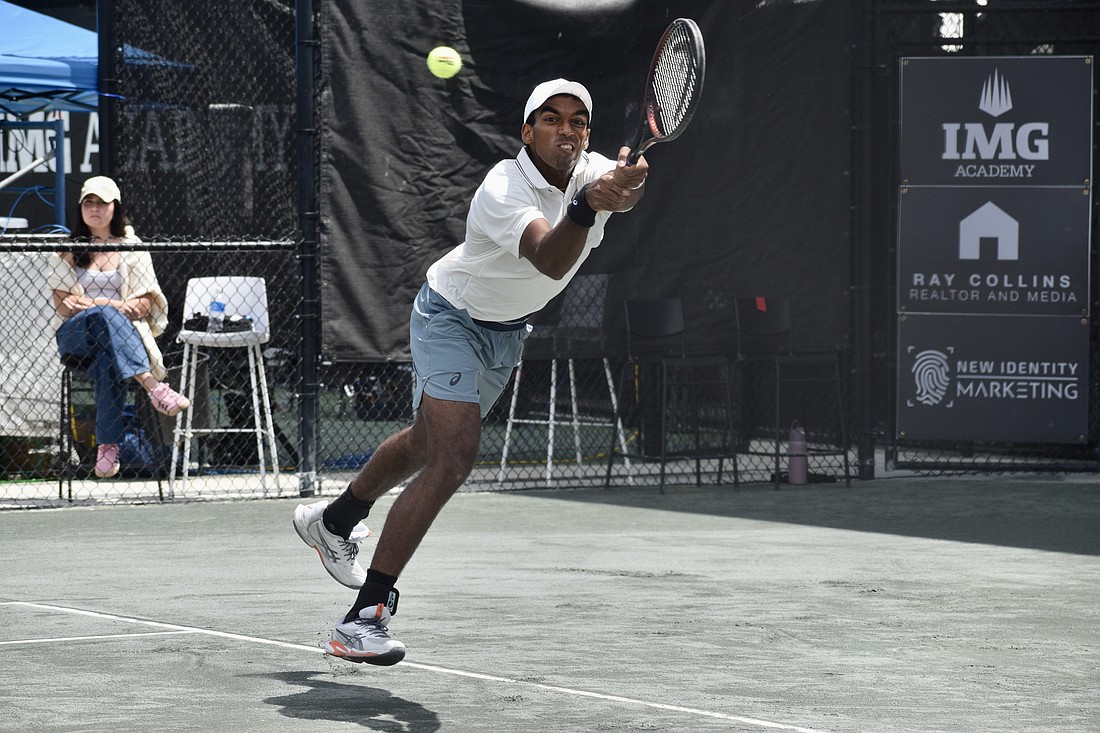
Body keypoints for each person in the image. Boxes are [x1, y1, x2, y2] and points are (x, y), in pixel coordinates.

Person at [293, 79, 648, 665]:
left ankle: (334, 520)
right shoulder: (503, 187)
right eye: (552, 118)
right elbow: (553, 257)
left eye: (579, 120)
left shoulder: (589, 170)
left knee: (422, 443)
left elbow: (624, 188)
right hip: (450, 316)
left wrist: (627, 185)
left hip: (506, 330)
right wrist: (592, 204)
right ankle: (363, 618)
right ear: (527, 132)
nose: (568, 129)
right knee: (452, 457)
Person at [47, 176, 191, 479]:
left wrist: (90, 302)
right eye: (89, 202)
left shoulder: (132, 247)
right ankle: (155, 388)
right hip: (75, 336)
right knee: (102, 317)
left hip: (117, 342)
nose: (95, 208)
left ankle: (107, 448)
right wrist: (110, 307)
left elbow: (143, 305)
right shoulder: (68, 248)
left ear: (116, 207)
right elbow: (63, 305)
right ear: (80, 208)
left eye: (102, 202)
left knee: (107, 358)